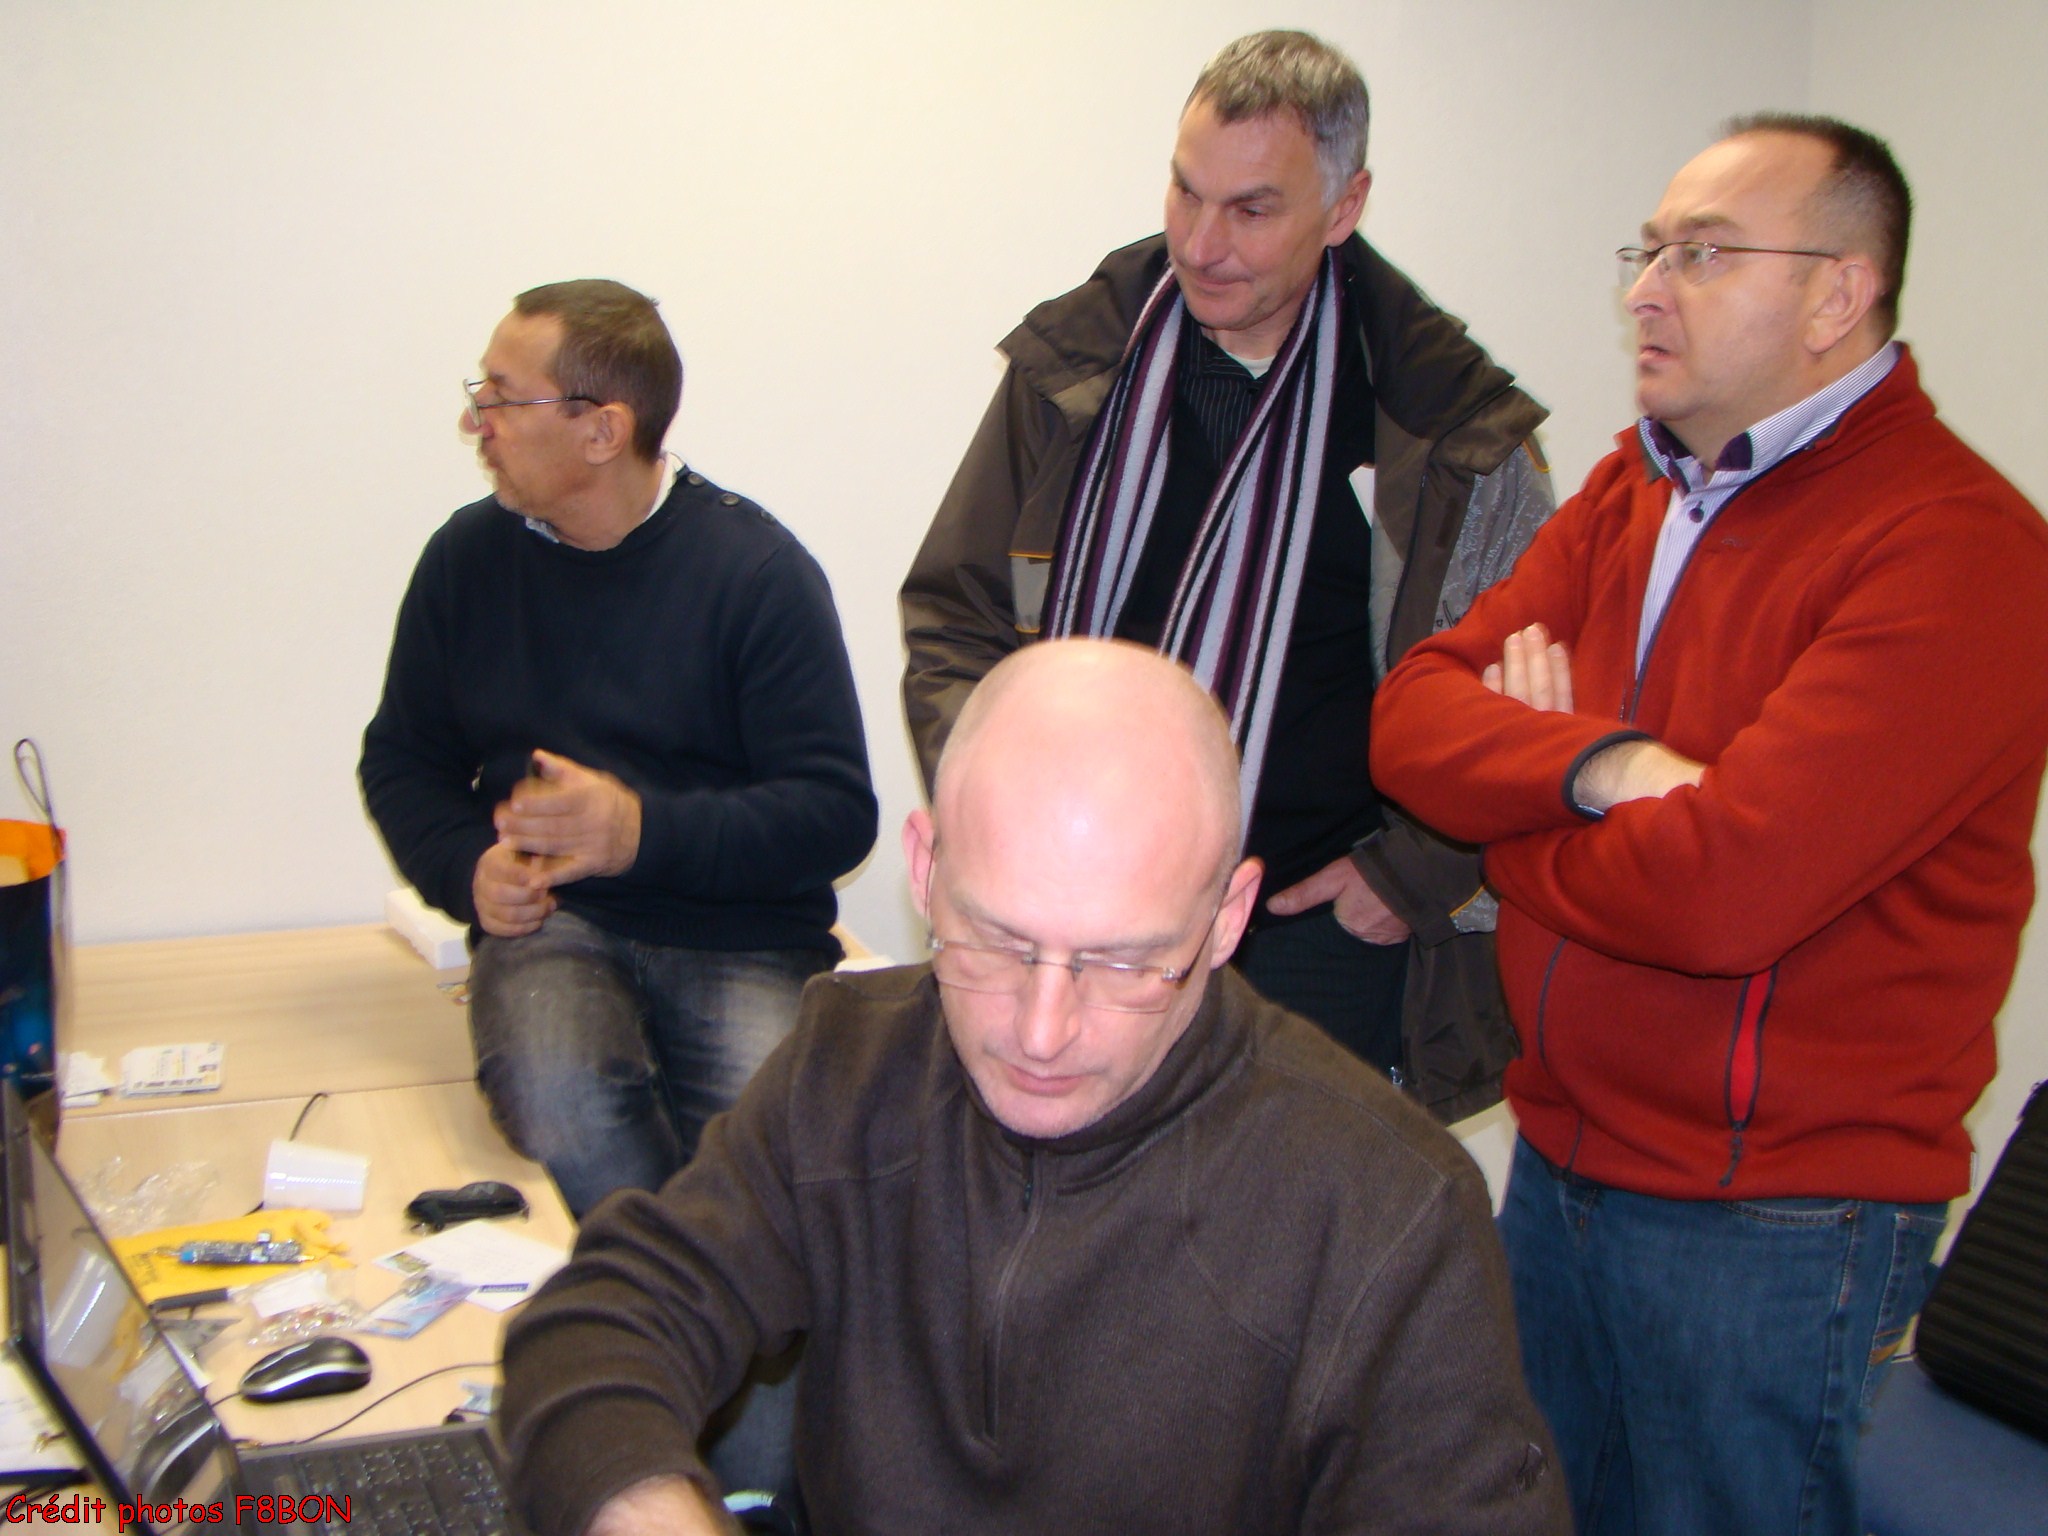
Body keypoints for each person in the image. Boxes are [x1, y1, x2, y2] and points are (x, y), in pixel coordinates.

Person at [1371, 115, 2048, 1534]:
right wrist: (1600, 766)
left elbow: (1722, 893)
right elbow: (1410, 722)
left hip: (1775, 1223)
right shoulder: (1632, 489)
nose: (1645, 290)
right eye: (1648, 250)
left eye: (1702, 254)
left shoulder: (1957, 549)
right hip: (1563, 1164)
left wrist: (1512, 807)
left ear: (1837, 294)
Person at [498, 638, 1567, 1536]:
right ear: (926, 871)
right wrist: (646, 1504)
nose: (1042, 1033)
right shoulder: (850, 1064)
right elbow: (602, 1321)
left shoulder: (1387, 1208)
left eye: (1123, 962)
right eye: (998, 941)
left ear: (1227, 920)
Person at [901, 30, 1552, 1120]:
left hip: (1310, 930)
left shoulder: (1443, 423)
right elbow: (955, 610)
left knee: (1285, 1221)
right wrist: (989, 811)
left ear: (1343, 209)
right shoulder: (1078, 363)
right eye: (1185, 192)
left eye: (1251, 209)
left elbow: (1527, 705)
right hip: (1064, 909)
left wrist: (1413, 875)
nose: (1201, 245)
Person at [359, 279, 876, 1221]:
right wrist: (467, 868)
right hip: (557, 922)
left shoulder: (757, 574)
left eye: (502, 398)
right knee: (560, 1091)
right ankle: (668, 1288)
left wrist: (639, 832)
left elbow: (834, 815)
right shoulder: (467, 561)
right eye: (481, 391)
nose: (476, 422)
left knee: (768, 1141)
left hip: (741, 934)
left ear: (602, 430)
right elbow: (401, 759)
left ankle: (685, 1288)